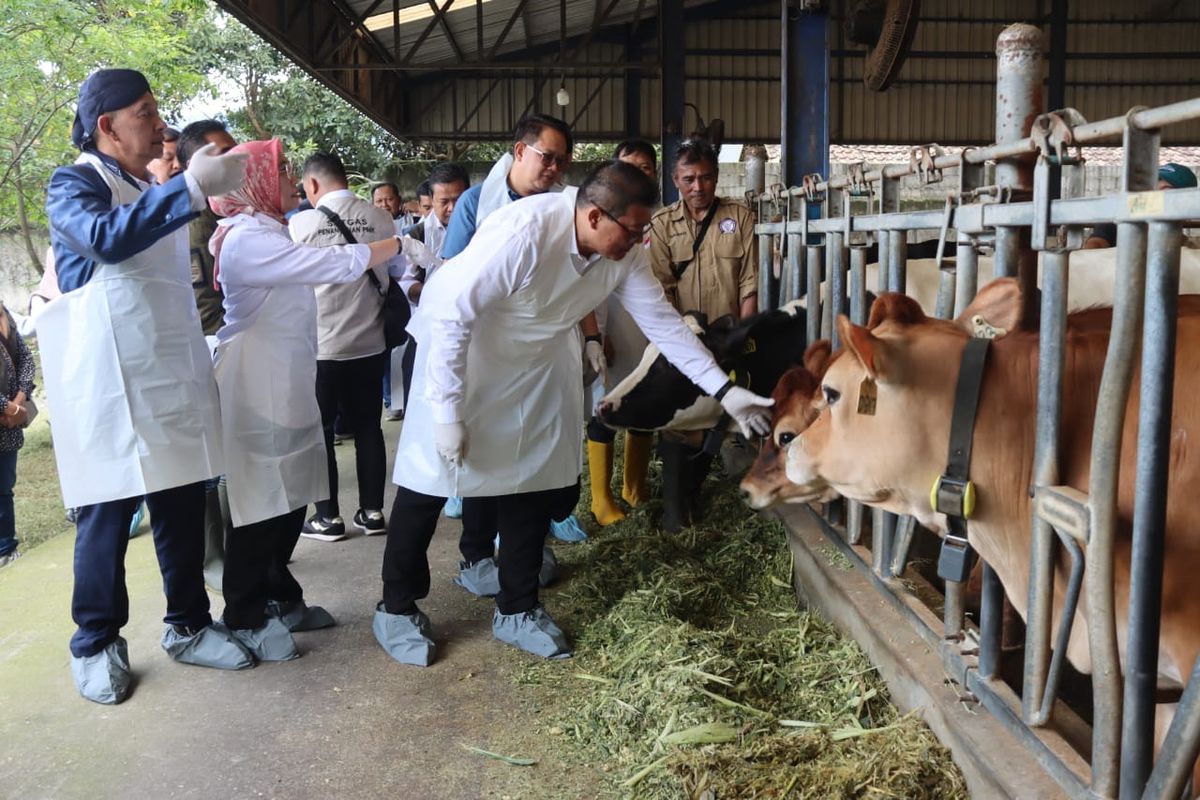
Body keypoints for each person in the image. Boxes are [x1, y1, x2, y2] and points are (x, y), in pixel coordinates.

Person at [374, 161, 773, 666]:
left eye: (641, 231)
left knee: (531, 480)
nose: (636, 243)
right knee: (429, 482)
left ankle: (517, 607)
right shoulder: (526, 230)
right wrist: (449, 411)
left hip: (535, 363)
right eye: (629, 231)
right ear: (592, 216)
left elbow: (666, 329)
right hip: (463, 356)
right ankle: (397, 606)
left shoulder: (624, 251)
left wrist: (724, 390)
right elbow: (453, 315)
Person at [42, 68, 253, 704]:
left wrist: (184, 189)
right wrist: (187, 185)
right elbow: (107, 240)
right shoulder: (74, 182)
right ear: (106, 126)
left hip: (164, 373)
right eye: (146, 114)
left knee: (180, 498)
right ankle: (95, 640)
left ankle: (187, 623)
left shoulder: (147, 185)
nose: (161, 126)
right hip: (106, 382)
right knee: (106, 509)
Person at [207, 138, 407, 658]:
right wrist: (397, 245)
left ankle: (281, 596)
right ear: (249, 182)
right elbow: (331, 266)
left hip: (287, 377)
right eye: (279, 171)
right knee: (260, 503)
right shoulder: (247, 238)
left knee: (293, 492)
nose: (290, 180)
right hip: (256, 383)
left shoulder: (272, 227)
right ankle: (245, 613)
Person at [438, 112, 595, 594]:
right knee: (488, 457)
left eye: (562, 163)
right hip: (486, 350)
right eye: (548, 157)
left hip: (541, 352)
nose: (554, 169)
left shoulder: (559, 208)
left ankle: (524, 551)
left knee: (534, 459)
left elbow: (582, 282)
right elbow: (451, 281)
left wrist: (590, 337)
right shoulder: (474, 203)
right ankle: (477, 555)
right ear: (520, 150)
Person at [647, 138, 759, 532]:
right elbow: (660, 292)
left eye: (707, 177)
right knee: (680, 421)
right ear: (675, 180)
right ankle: (675, 516)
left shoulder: (739, 217)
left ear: (716, 177)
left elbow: (749, 283)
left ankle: (690, 496)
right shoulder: (662, 226)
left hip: (728, 340)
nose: (699, 187)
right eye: (689, 179)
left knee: (715, 418)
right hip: (683, 343)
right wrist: (678, 345)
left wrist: (743, 338)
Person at [289, 152, 394, 542]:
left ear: (312, 185)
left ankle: (327, 518)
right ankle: (372, 512)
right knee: (369, 428)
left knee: (320, 432)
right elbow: (396, 273)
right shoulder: (381, 218)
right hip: (369, 344)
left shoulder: (300, 224)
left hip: (320, 348)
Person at [177, 118, 239, 592]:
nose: (235, 163)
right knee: (210, 465)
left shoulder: (229, 212)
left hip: (231, 346)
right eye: (222, 154)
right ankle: (215, 559)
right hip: (206, 348)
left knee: (231, 458)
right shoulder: (192, 220)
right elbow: (202, 296)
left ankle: (237, 553)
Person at [585, 140, 659, 526]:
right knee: (609, 406)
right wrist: (597, 333)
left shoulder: (658, 217)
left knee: (644, 405)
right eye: (629, 167)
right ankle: (601, 497)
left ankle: (635, 487)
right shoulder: (605, 217)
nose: (638, 174)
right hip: (614, 325)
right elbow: (592, 288)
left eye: (645, 168)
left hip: (650, 325)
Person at [393, 163, 470, 418]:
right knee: (419, 392)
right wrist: (431, 292)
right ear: (431, 201)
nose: (452, 208)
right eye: (444, 201)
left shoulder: (483, 229)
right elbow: (405, 281)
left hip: (472, 327)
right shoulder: (416, 233)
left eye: (458, 200)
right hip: (427, 327)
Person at [1084, 162, 1198, 248]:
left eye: (1166, 191)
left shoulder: (1185, 247)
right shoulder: (1119, 219)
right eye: (1152, 188)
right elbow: (1094, 246)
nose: (1154, 195)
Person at [0, 301, 35, 569]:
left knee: (4, 486)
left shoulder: (6, 315)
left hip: (10, 419)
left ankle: (6, 548)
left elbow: (25, 358)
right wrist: (7, 406)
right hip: (7, 411)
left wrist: (19, 400)